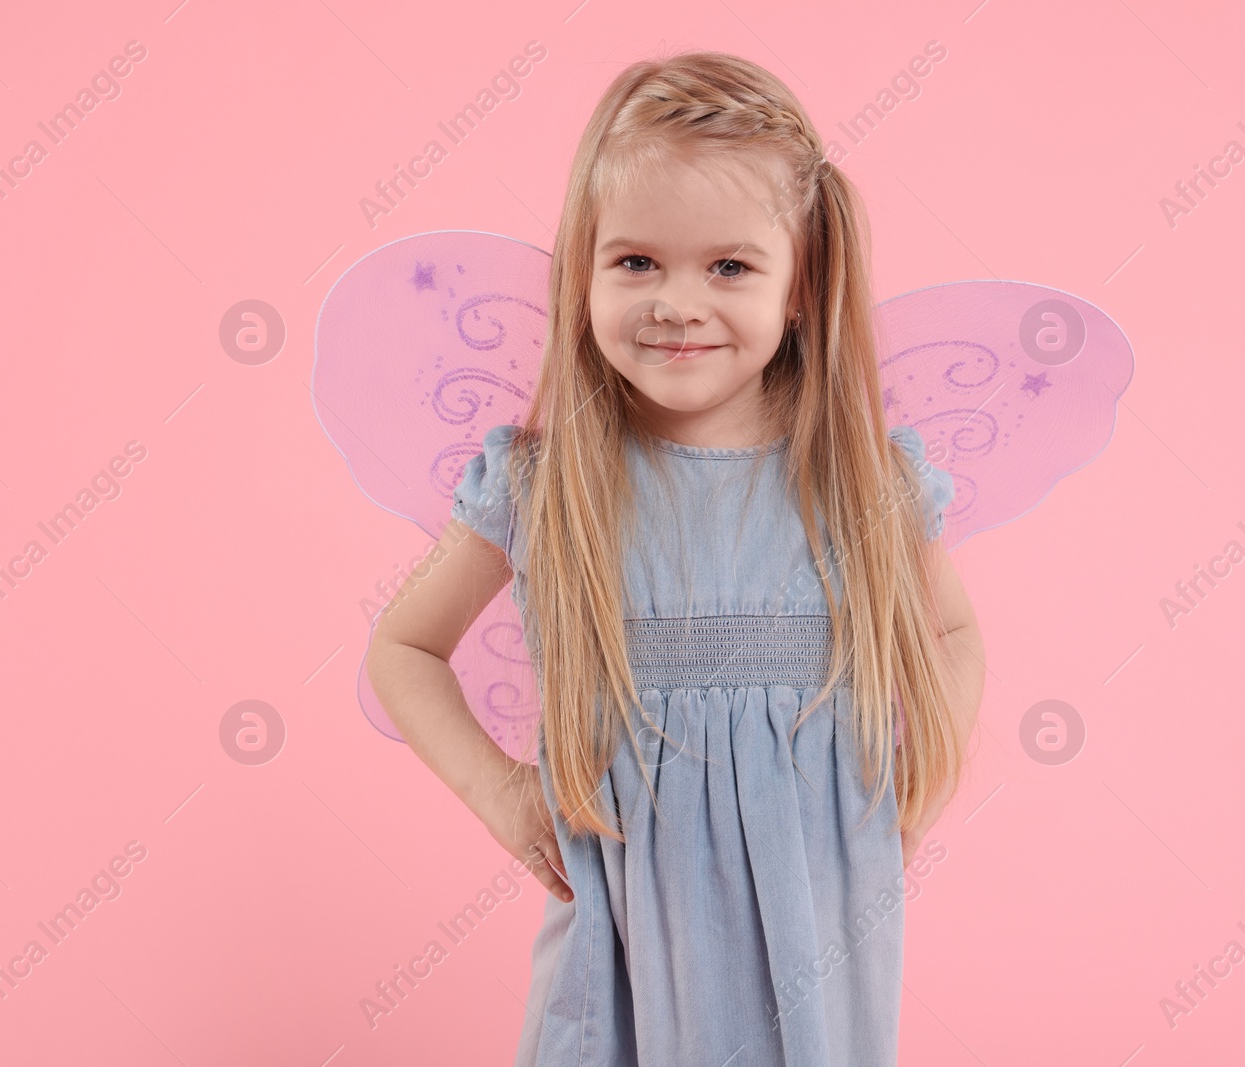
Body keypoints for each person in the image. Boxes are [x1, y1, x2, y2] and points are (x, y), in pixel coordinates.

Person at [364, 50, 985, 1067]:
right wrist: (503, 794)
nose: (676, 302)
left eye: (729, 266)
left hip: (815, 933)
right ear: (584, 272)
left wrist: (921, 776)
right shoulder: (543, 483)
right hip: (622, 944)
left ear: (800, 287)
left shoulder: (854, 482)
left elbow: (952, 631)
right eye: (636, 261)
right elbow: (403, 645)